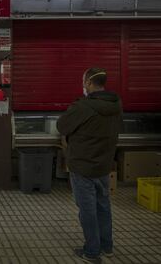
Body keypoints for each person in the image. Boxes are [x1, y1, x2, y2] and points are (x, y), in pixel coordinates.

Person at [57, 68, 123, 264]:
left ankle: (92, 251)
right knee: (103, 205)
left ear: (88, 83)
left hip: (83, 165)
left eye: (83, 81)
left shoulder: (83, 106)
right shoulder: (116, 104)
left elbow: (62, 126)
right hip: (104, 164)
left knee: (87, 209)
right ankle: (106, 246)